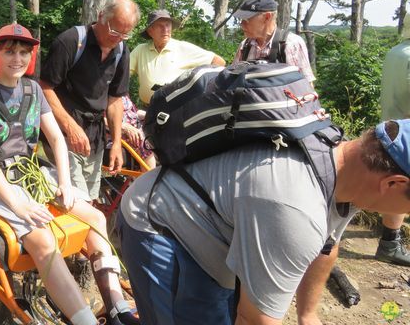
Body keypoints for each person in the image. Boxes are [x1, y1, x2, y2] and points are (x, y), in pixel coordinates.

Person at [116, 119, 410, 325]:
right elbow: (256, 320)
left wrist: (306, 314)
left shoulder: (351, 166)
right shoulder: (297, 209)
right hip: (159, 220)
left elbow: (327, 245)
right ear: (395, 183)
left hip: (218, 219)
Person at [0, 24, 138, 325]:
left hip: (34, 173)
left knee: (95, 219)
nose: (17, 59)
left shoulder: (31, 88)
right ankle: (85, 321)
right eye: (10, 52)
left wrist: (66, 185)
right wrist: (17, 205)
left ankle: (118, 308)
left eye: (23, 52)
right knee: (43, 241)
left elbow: (56, 139)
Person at [40, 0, 140, 200]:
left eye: (125, 34)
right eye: (114, 31)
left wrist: (117, 143)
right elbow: (44, 88)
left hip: (96, 138)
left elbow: (114, 100)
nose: (117, 38)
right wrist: (71, 127)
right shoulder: (70, 41)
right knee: (77, 200)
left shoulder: (121, 51)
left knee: (91, 198)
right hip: (63, 135)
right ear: (101, 16)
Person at [130, 9, 225, 106]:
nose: (165, 29)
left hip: (175, 109)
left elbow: (218, 61)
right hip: (148, 108)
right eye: (160, 26)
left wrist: (199, 87)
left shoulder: (183, 47)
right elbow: (123, 73)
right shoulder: (140, 50)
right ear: (150, 31)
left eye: (168, 25)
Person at [376, 13, 410, 266]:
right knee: (402, 188)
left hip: (390, 125)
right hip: (406, 128)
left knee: (395, 185)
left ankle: (390, 237)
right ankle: (390, 243)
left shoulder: (396, 51)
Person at [231, 0, 315, 84]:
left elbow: (306, 86)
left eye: (247, 19)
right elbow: (233, 79)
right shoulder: (245, 45)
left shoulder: (291, 44)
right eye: (241, 20)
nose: (242, 24)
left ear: (267, 17)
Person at [106, 94, 155, 168]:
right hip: (116, 134)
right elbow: (98, 120)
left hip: (136, 128)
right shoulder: (102, 95)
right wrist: (123, 126)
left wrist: (150, 115)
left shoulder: (122, 92)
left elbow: (132, 113)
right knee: (142, 141)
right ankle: (151, 177)